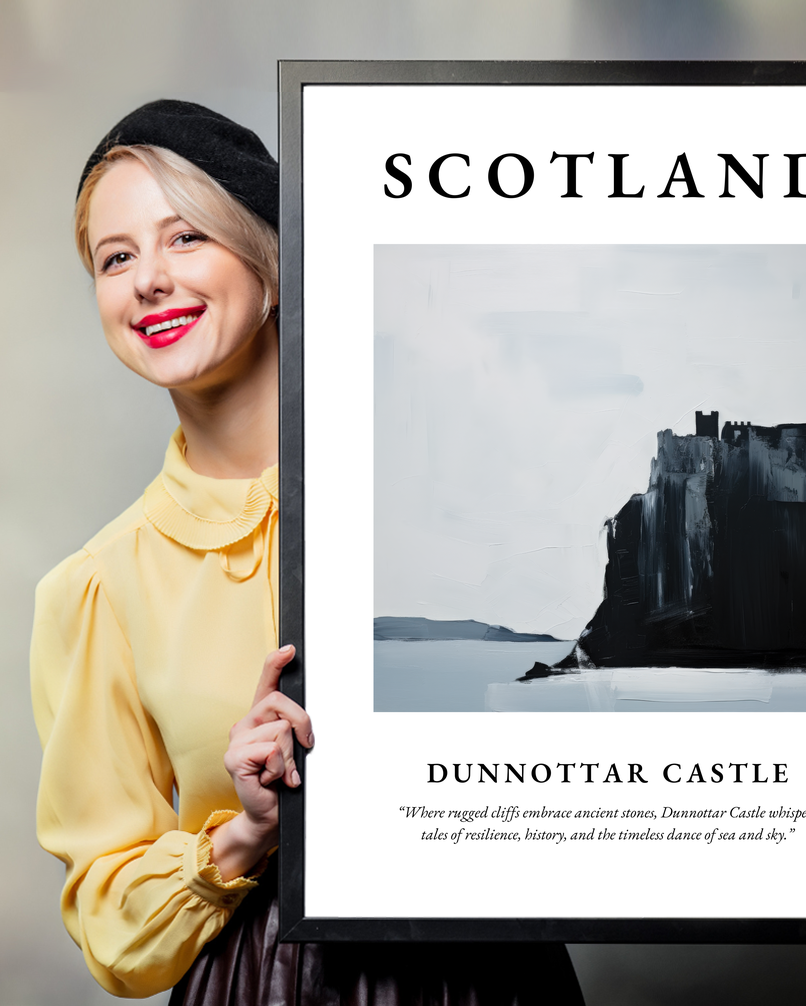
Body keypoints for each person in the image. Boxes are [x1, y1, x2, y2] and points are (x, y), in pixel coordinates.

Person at [30, 100, 585, 1004]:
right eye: (116, 257)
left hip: (491, 973)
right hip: (263, 981)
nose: (148, 281)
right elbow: (110, 923)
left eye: (186, 239)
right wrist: (245, 832)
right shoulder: (98, 587)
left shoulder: (461, 490)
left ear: (273, 264)